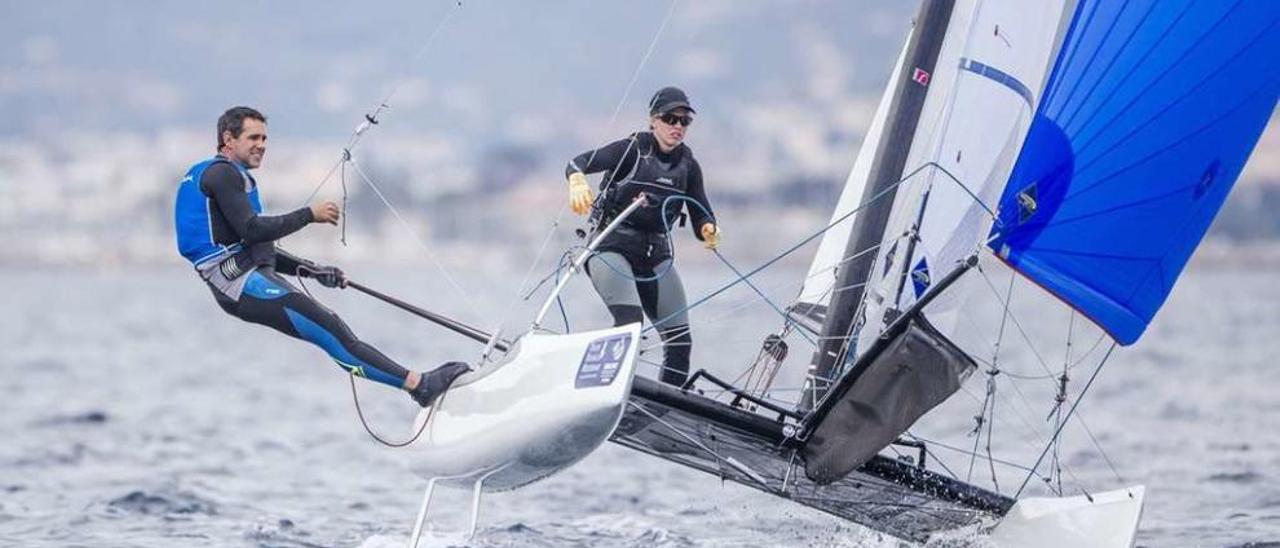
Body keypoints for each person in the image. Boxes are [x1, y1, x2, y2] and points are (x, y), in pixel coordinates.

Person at [173, 106, 468, 407]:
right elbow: (253, 229)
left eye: (264, 138)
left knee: (330, 325)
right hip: (238, 284)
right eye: (253, 137)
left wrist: (312, 271)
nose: (262, 145)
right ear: (228, 139)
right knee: (329, 330)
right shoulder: (222, 174)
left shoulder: (224, 174)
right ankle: (420, 386)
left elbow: (254, 243)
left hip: (245, 275)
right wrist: (308, 214)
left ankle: (419, 384)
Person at [563, 86, 721, 386]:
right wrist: (576, 179)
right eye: (669, 119)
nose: (677, 126)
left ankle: (667, 408)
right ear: (653, 120)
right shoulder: (631, 149)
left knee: (680, 341)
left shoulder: (689, 166)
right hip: (611, 249)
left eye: (684, 121)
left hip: (655, 255)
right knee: (630, 325)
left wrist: (708, 229)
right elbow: (577, 162)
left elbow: (702, 211)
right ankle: (599, 387)